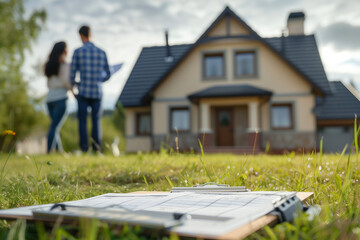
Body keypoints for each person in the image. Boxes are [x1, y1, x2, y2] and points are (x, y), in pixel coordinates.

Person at [70, 25, 111, 153]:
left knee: (82, 121)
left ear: (81, 36)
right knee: (96, 121)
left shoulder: (78, 52)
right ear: (90, 34)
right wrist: (99, 80)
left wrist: (75, 85)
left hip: (82, 92)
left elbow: (72, 75)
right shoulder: (102, 52)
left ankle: (84, 148)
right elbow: (108, 73)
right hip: (97, 92)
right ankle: (97, 148)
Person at [44, 41, 71, 154]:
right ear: (64, 51)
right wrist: (73, 86)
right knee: (54, 127)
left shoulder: (48, 65)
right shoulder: (65, 65)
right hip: (60, 98)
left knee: (55, 126)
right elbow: (66, 83)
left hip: (49, 99)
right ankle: (49, 151)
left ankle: (60, 151)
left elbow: (48, 83)